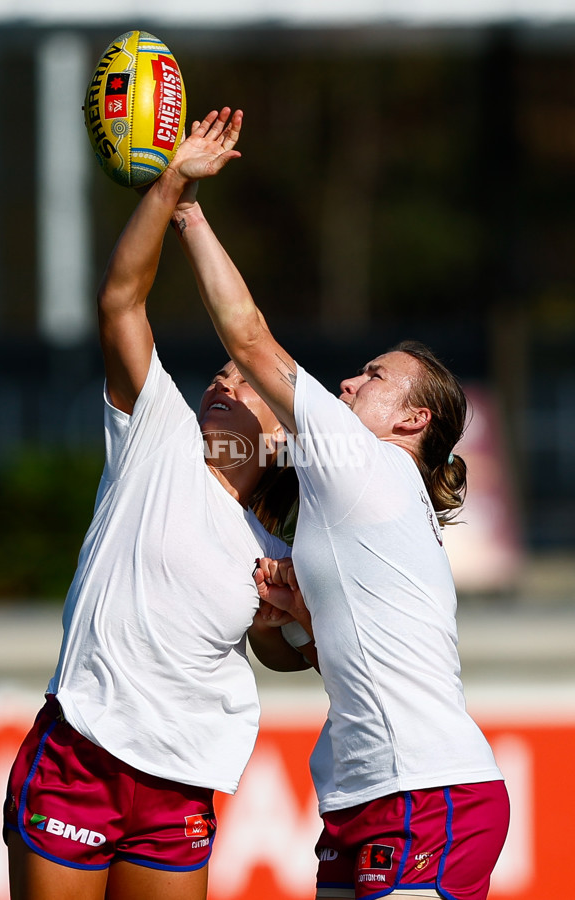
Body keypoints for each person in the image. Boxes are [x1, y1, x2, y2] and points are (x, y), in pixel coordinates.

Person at [169, 108, 510, 900]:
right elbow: (311, 654)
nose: (350, 382)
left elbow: (249, 337)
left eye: (374, 377)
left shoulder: (371, 465)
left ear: (411, 421)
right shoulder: (359, 507)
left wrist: (181, 204)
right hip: (363, 795)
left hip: (429, 792)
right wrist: (305, 617)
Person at [2, 108, 314, 900]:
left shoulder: (270, 551)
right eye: (222, 372)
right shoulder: (158, 435)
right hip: (81, 755)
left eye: (247, 383)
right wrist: (173, 184)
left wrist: (298, 628)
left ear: (278, 440)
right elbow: (120, 302)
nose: (224, 379)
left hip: (178, 784)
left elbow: (273, 653)